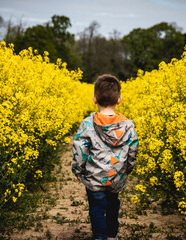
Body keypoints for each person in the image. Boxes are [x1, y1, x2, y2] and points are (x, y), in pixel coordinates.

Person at [71, 74, 139, 240]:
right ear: (119, 99)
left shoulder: (88, 124)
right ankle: (112, 235)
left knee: (96, 208)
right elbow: (133, 150)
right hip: (117, 177)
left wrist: (77, 169)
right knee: (113, 205)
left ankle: (100, 236)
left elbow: (80, 149)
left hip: (94, 178)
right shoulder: (128, 126)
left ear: (94, 99)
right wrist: (127, 169)